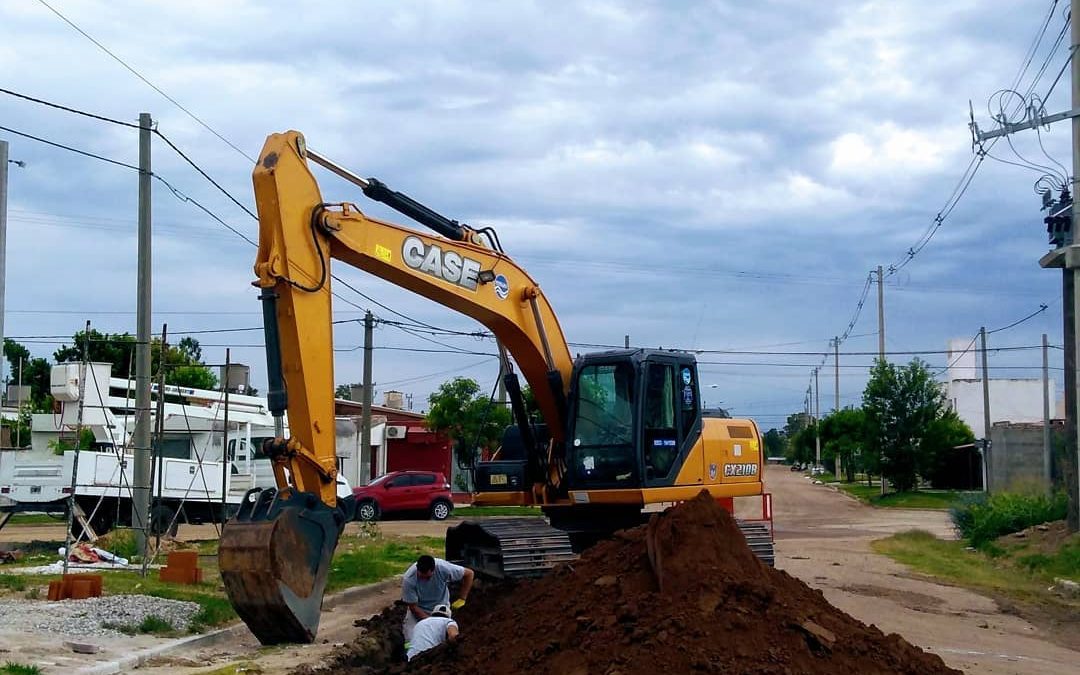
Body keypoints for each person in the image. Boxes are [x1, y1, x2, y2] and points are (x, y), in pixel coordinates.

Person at [401, 554, 473, 645]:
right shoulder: (409, 579)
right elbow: (413, 607)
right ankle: (410, 657)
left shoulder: (443, 568)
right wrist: (430, 622)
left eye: (427, 577)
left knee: (443, 638)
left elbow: (469, 574)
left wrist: (462, 598)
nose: (424, 580)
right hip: (418, 610)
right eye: (421, 577)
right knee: (409, 639)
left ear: (434, 570)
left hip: (441, 609)